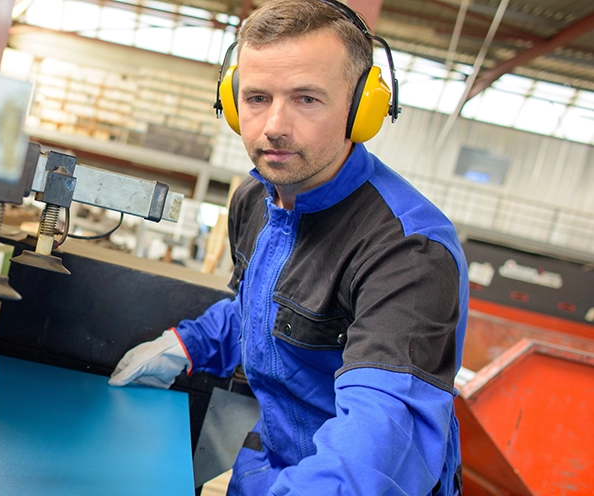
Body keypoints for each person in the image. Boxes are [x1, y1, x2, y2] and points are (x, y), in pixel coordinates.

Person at [108, 1, 467, 495]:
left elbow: (380, 439)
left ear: (360, 110)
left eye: (306, 99)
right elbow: (259, 312)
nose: (274, 125)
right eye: (257, 98)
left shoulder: (408, 250)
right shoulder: (255, 200)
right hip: (272, 462)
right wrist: (191, 344)